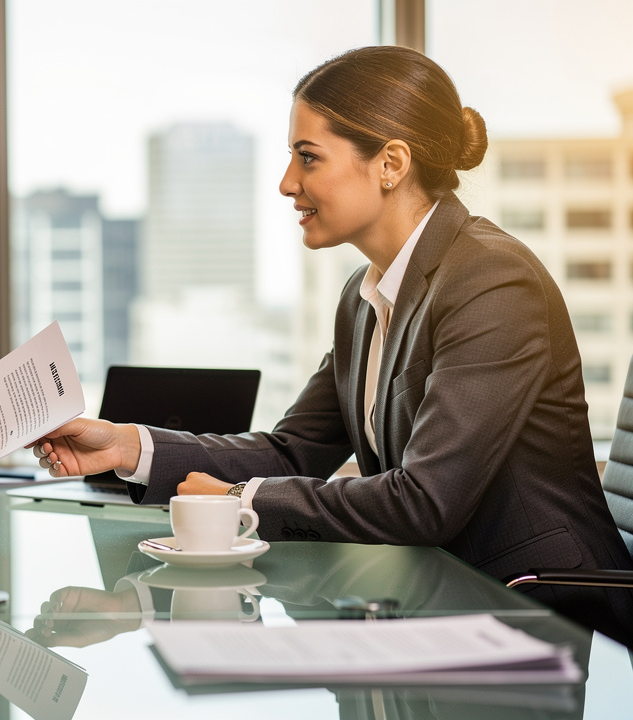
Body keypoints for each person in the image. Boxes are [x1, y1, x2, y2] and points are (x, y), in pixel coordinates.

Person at [32, 45, 633, 641]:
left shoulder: (492, 280)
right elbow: (294, 454)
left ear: (390, 163)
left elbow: (425, 502)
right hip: (431, 602)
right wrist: (125, 445)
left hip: (532, 608)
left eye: (308, 157)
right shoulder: (363, 296)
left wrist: (242, 499)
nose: (287, 183)